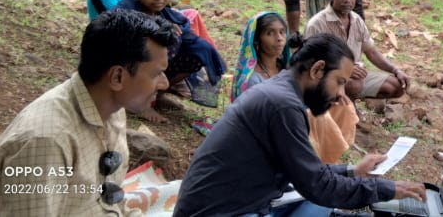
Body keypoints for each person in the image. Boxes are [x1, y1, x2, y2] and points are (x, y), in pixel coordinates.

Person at [173, 33, 426, 217]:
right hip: (222, 212)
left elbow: (309, 173)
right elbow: (318, 185)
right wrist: (387, 188)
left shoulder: (282, 94)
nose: (341, 94)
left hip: (243, 202)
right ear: (317, 70)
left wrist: (352, 171)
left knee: (325, 205)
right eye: (338, 81)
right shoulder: (282, 105)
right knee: (326, 201)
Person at [0, 10, 178, 216]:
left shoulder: (114, 110)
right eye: (157, 74)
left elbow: (111, 203)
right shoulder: (47, 141)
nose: (164, 83)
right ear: (118, 77)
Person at [234, 11, 358, 164]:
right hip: (272, 129)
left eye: (281, 32)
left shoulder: (286, 68)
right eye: (270, 33)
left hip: (292, 114)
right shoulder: (253, 79)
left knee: (342, 105)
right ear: (257, 40)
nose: (279, 38)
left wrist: (336, 92)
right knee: (317, 116)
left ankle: (329, 157)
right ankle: (318, 162)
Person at [113, 0, 226, 122]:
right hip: (126, 63)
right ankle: (139, 102)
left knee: (199, 49)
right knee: (164, 42)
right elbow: (122, 31)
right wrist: (158, 28)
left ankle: (156, 94)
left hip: (153, 67)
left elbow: (186, 33)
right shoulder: (127, 7)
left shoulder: (165, 13)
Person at [306, 0, 409, 100]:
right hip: (326, 78)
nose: (347, 0)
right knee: (354, 84)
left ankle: (348, 99)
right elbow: (309, 61)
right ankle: (341, 107)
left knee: (397, 86)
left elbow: (371, 52)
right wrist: (343, 69)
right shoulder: (317, 24)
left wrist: (395, 70)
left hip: (355, 76)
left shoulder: (357, 20)